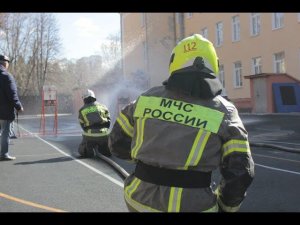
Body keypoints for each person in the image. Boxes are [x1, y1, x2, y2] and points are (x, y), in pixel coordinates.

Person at [108, 34, 255, 212]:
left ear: (174, 63)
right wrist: (225, 207)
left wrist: (148, 160)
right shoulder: (225, 111)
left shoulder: (146, 99)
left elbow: (116, 143)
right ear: (214, 65)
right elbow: (240, 171)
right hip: (196, 206)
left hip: (139, 200)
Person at [0, 54, 24, 160]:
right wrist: (18, 106)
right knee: (6, 132)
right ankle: (4, 154)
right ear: (5, 63)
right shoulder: (6, 76)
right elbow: (12, 93)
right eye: (8, 62)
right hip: (4, 111)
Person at [78, 89, 111, 158]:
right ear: (94, 97)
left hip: (90, 135)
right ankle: (104, 149)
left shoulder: (82, 110)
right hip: (104, 134)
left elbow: (82, 125)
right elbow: (108, 121)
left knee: (82, 151)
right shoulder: (103, 106)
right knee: (107, 152)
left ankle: (89, 151)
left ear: (84, 99)